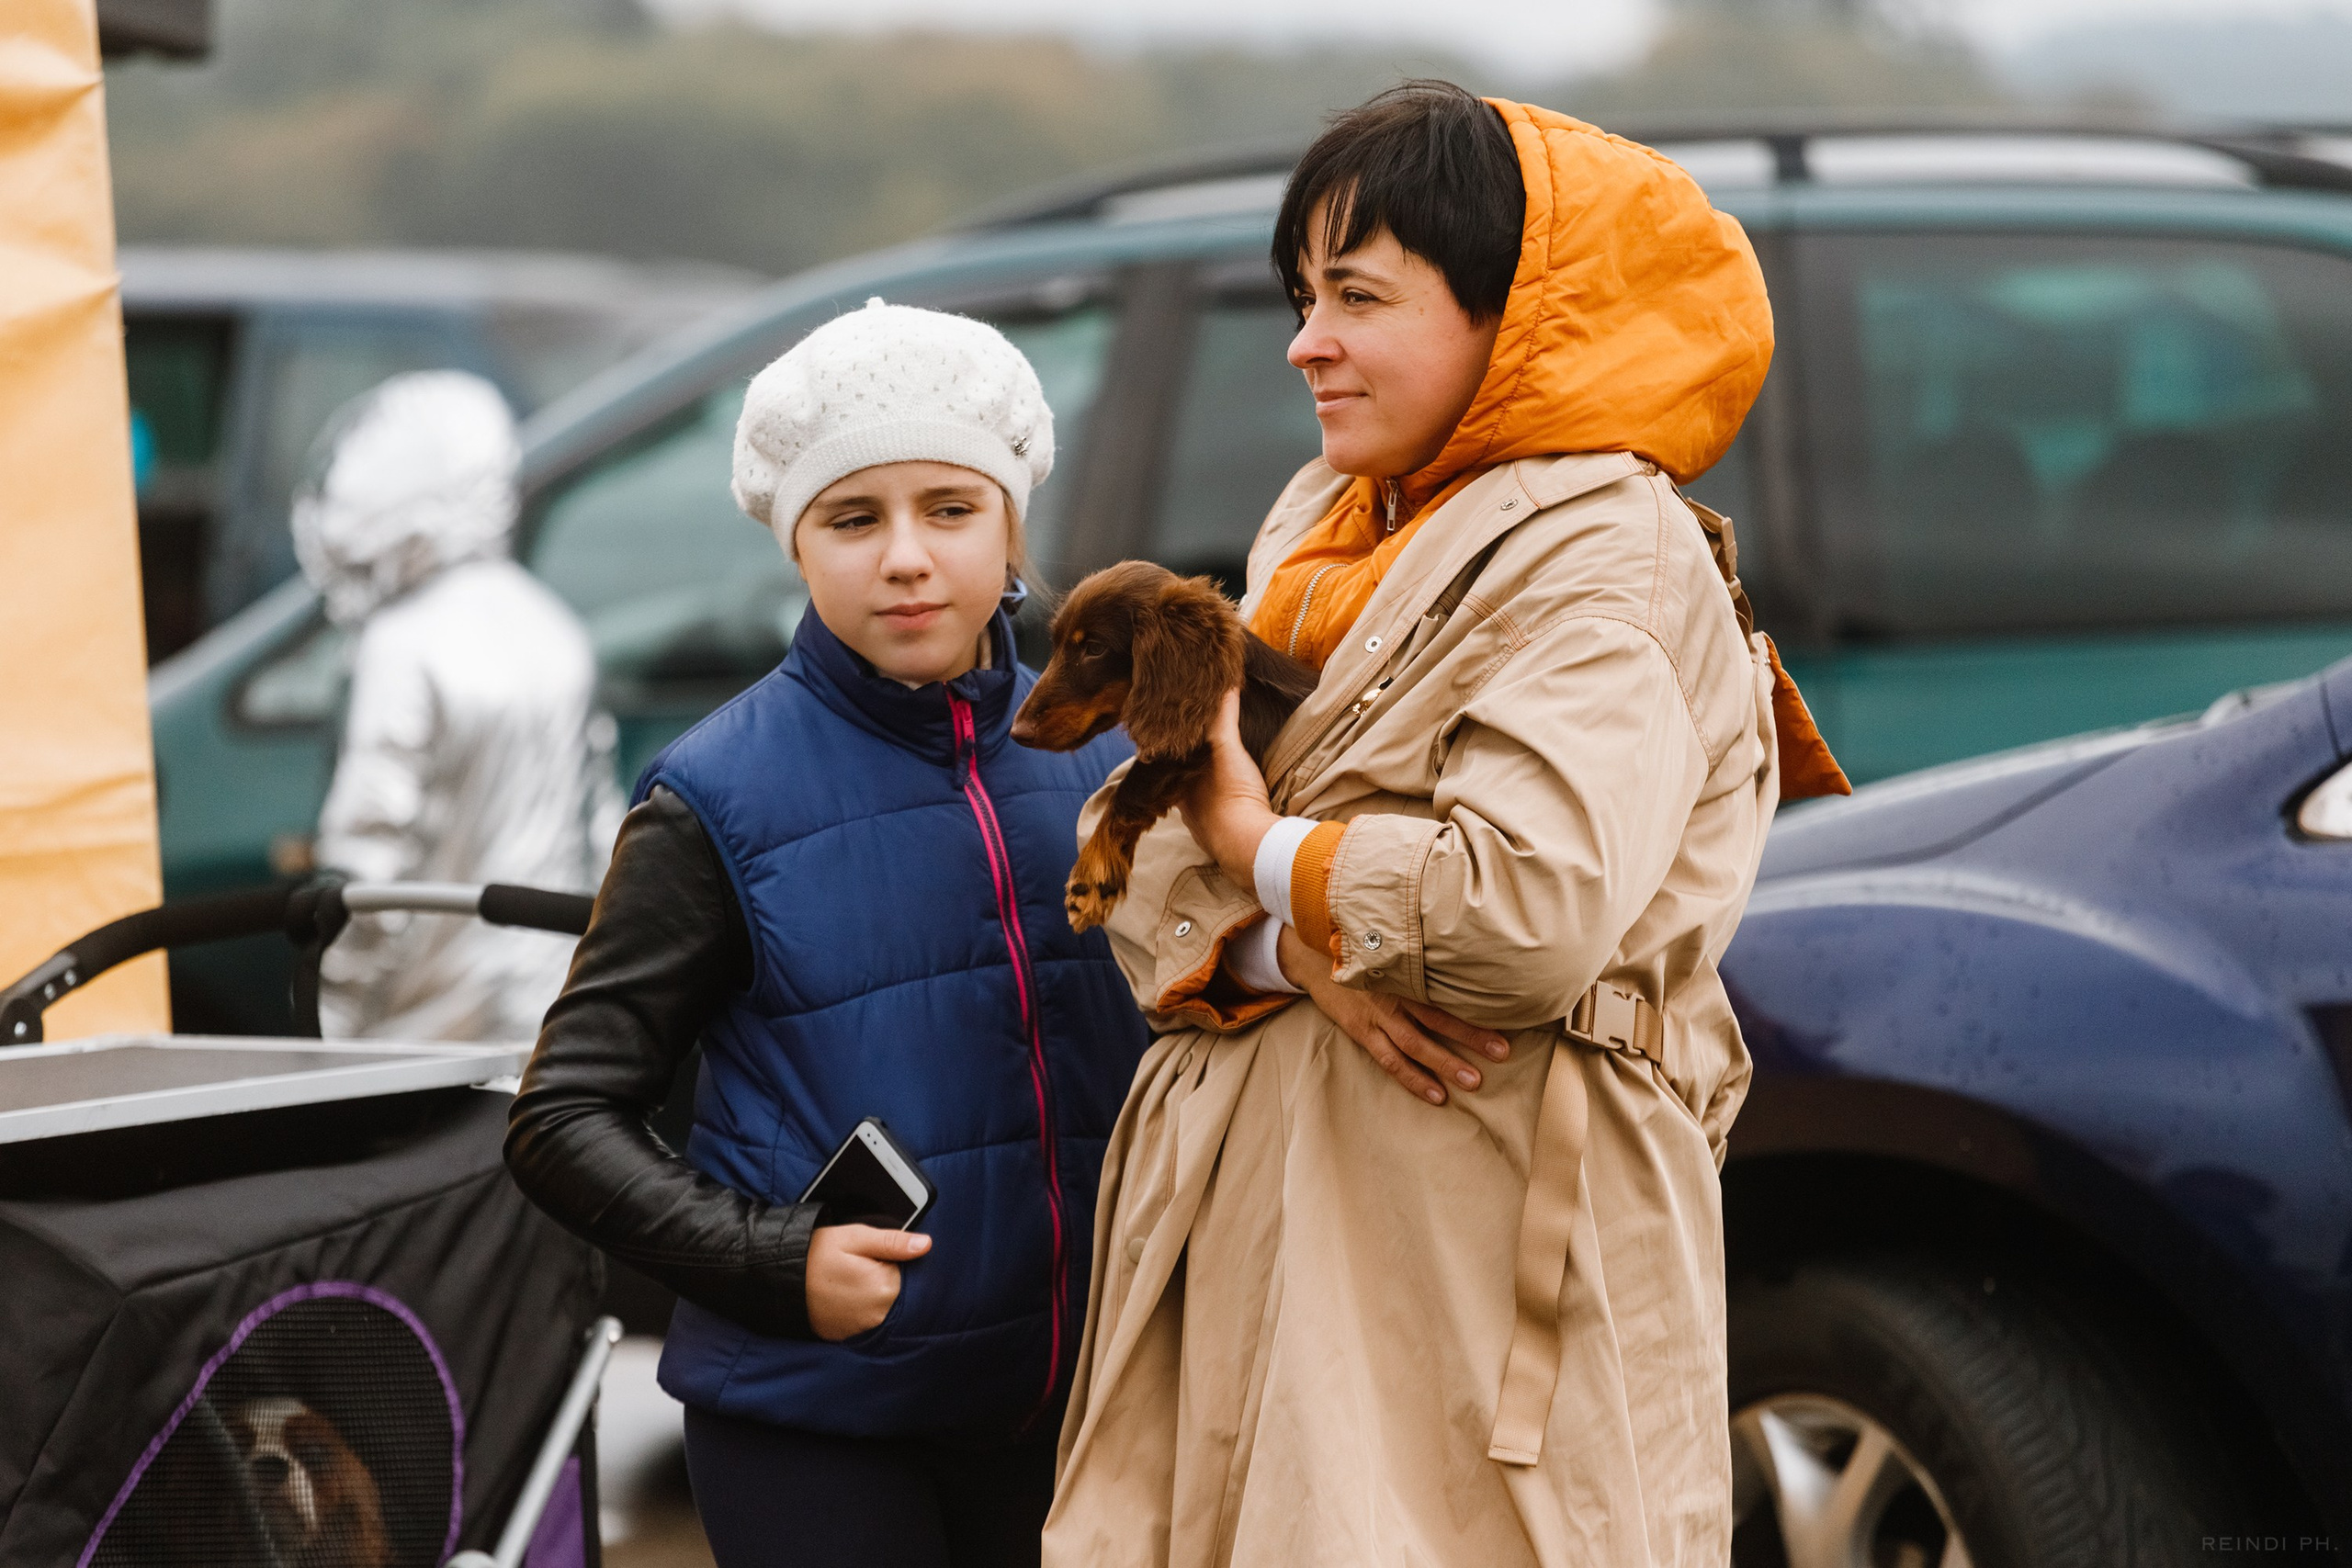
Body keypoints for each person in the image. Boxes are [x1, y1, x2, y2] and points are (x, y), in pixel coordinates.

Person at [1042, 85, 1848, 1567]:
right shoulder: (1328, 525)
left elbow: (1518, 917)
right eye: (1301, 296)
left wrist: (1262, 847)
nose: (1305, 342)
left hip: (1472, 1220)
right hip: (1286, 1218)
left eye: (1358, 294)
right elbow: (1130, 858)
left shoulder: (1603, 550)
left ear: (1519, 316)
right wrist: (1296, 939)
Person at [503, 301, 1150, 1568]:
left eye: (950, 508)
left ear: (1016, 523)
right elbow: (562, 1117)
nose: (906, 555)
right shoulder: (718, 794)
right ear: (794, 540)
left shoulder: (1114, 754)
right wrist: (776, 1258)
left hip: (1081, 1411)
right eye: (854, 517)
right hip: (823, 1428)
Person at [292, 369, 618, 1042]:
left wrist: (332, 1024)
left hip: (422, 1033)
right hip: (545, 1021)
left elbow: (369, 873)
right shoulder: (554, 627)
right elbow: (605, 839)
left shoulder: (400, 644)